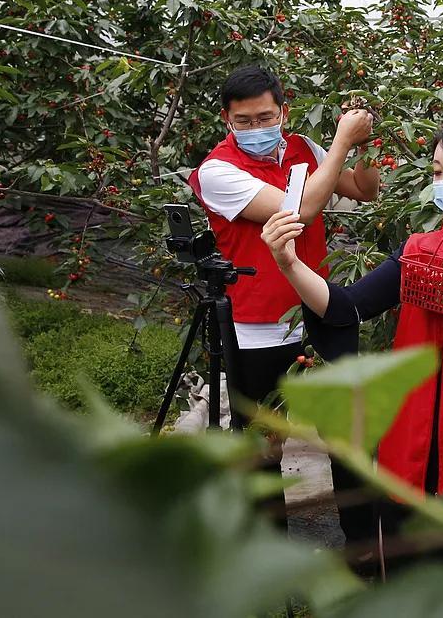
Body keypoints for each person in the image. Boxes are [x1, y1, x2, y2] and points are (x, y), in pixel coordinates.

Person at [260, 116, 443, 565]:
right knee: (405, 571)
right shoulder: (421, 249)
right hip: (410, 444)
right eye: (438, 172)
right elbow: (346, 307)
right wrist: (289, 263)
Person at [186, 65, 377, 535]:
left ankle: (363, 551)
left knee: (347, 436)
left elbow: (365, 190)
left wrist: (366, 145)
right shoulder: (217, 171)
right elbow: (301, 211)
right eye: (244, 121)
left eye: (265, 117)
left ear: (283, 113)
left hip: (320, 314)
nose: (256, 127)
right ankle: (269, 547)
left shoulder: (303, 149)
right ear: (227, 120)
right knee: (263, 442)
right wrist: (341, 141)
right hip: (258, 329)